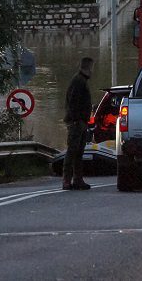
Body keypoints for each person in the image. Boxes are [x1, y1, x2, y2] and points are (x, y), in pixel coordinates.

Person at [63, 55, 94, 190]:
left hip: (81, 121)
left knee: (79, 152)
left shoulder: (81, 81)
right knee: (72, 151)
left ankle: (77, 179)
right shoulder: (79, 81)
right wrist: (76, 120)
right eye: (92, 68)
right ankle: (67, 180)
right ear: (88, 68)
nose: (93, 71)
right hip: (77, 122)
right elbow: (73, 102)